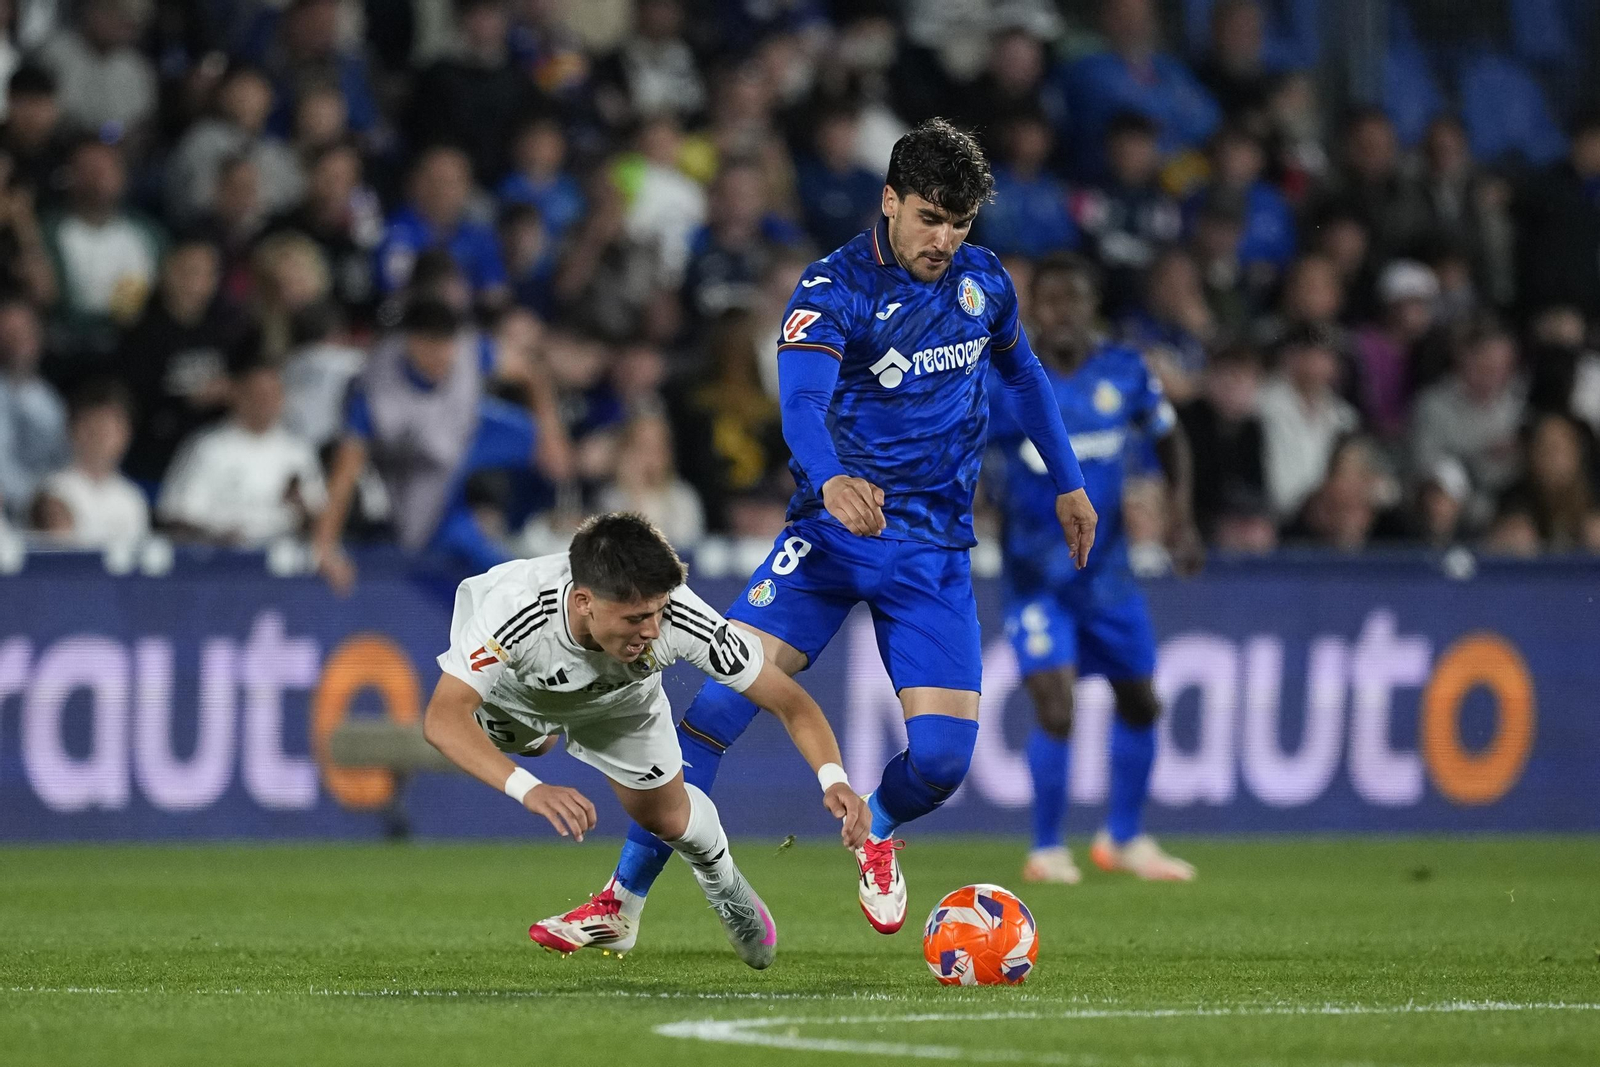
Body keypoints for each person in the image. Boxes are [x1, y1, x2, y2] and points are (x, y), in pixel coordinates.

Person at [578, 118, 1096, 949]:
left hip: (932, 553)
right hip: (828, 539)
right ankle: (620, 901)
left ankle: (879, 827)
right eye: (930, 217)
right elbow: (801, 406)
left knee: (941, 763)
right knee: (713, 707)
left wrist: (1068, 480)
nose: (945, 239)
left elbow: (1024, 375)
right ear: (889, 200)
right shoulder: (832, 289)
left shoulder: (982, 283)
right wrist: (833, 479)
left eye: (960, 224)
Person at [427, 512, 869, 964]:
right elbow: (442, 720)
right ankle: (539, 744)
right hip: (511, 698)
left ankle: (720, 883)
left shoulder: (679, 616)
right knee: (531, 745)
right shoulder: (516, 609)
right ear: (584, 602)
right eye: (636, 618)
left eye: (657, 612)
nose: (653, 630)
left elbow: (790, 702)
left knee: (667, 818)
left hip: (619, 701)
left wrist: (833, 778)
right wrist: (530, 787)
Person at [988, 253, 1200, 886]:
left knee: (1140, 703)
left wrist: (1181, 517)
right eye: (1049, 302)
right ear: (1033, 311)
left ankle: (1125, 838)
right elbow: (962, 449)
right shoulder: (1005, 381)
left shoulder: (1126, 372)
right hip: (1034, 576)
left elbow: (1170, 437)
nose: (1062, 313)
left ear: (1090, 306)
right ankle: (1047, 848)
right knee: (1056, 707)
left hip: (1108, 576)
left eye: (1073, 300)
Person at [157, 358, 325, 545]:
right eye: (259, 394)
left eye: (273, 394)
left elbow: (320, 517)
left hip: (283, 559)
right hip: (221, 560)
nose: (266, 403)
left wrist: (302, 509)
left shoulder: (299, 451)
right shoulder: (207, 447)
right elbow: (178, 517)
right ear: (238, 395)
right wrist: (219, 539)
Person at [33, 379, 148, 546]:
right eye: (93, 427)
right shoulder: (52, 490)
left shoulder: (132, 498)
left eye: (110, 429)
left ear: (126, 434)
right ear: (72, 429)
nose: (101, 438)